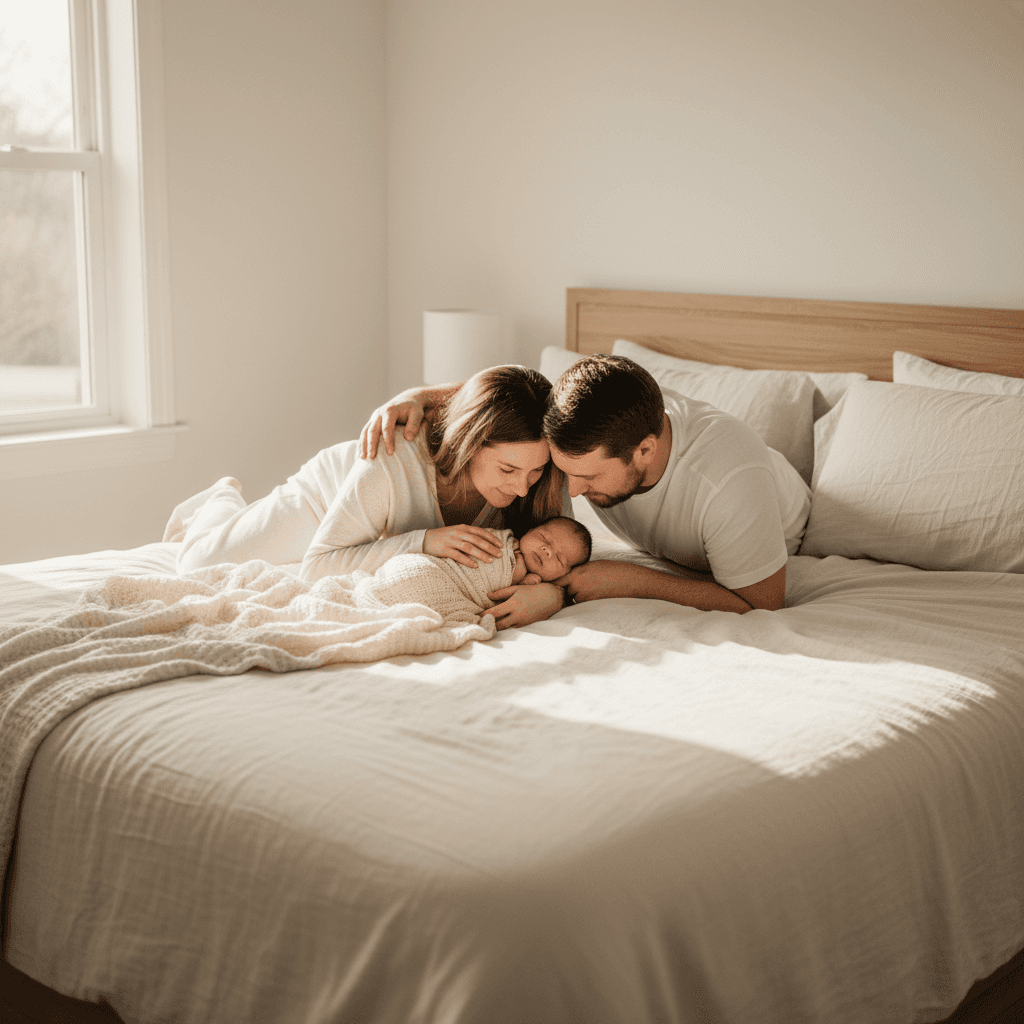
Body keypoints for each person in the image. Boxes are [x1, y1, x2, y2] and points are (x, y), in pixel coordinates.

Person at [360, 354, 811, 615]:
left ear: (645, 451)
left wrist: (630, 579)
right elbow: (512, 394)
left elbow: (763, 602)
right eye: (564, 471)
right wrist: (417, 397)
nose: (570, 492)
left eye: (588, 476)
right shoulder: (590, 410)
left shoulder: (728, 480)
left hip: (780, 520)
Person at [166, 365, 573, 627]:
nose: (523, 488)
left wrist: (552, 595)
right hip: (328, 496)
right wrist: (424, 542)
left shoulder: (542, 474)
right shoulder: (393, 457)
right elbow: (316, 568)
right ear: (467, 442)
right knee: (195, 564)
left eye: (534, 471)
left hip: (375, 521)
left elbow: (571, 554)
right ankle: (221, 497)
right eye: (507, 471)